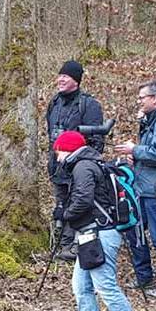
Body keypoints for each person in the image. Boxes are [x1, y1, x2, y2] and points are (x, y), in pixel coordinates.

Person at [55, 130, 146, 311]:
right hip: (91, 233)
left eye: (58, 151)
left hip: (100, 234)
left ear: (67, 149)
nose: (57, 157)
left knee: (105, 286)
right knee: (81, 285)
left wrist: (64, 214)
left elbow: (83, 199)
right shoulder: (89, 163)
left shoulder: (82, 167)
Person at [114, 80, 156, 297]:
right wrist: (136, 158)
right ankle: (144, 275)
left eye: (142, 97)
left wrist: (135, 150)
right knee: (133, 230)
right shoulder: (152, 121)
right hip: (144, 187)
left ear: (155, 98)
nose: (139, 101)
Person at [46, 60, 105, 258]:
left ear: (76, 81)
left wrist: (84, 164)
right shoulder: (54, 102)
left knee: (78, 204)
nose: (60, 79)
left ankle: (76, 247)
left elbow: (97, 140)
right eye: (60, 75)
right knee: (61, 204)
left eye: (66, 76)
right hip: (57, 166)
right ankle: (62, 246)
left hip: (79, 167)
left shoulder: (89, 104)